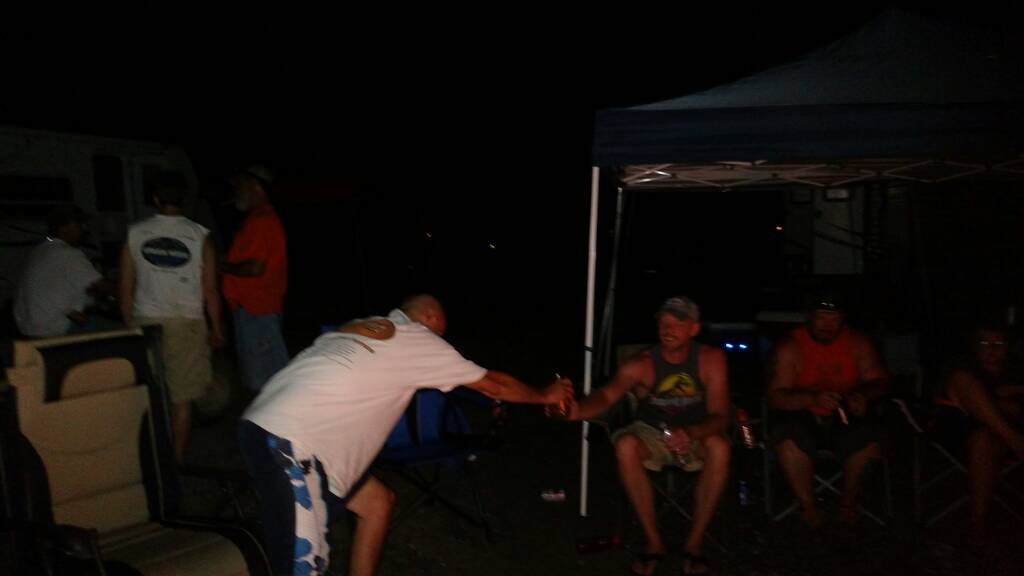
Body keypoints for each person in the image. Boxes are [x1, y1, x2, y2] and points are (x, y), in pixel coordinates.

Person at [239, 294, 572, 576]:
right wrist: (545, 395)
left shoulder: (362, 327)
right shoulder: (417, 338)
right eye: (442, 333)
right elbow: (494, 385)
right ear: (431, 318)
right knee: (302, 566)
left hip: (267, 422)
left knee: (377, 503)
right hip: (292, 444)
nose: (443, 341)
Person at [556, 296, 730, 576]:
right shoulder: (642, 363)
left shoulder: (711, 359)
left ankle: (694, 544)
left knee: (720, 447)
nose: (668, 329)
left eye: (677, 322)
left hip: (697, 430)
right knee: (625, 445)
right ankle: (653, 543)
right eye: (663, 322)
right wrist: (577, 411)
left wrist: (692, 432)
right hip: (652, 431)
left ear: (694, 329)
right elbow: (606, 396)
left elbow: (720, 415)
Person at [120, 172, 226, 463]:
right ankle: (173, 462)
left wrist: (128, 324)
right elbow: (211, 289)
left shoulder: (135, 233)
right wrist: (217, 328)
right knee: (182, 398)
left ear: (156, 199)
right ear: (184, 199)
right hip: (186, 322)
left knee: (151, 390)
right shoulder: (200, 235)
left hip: (146, 321)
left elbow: (126, 286)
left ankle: (147, 455)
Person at [767, 292, 889, 527]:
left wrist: (862, 395)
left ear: (843, 319)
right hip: (803, 414)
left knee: (871, 437)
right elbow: (775, 397)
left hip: (845, 415)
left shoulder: (858, 343)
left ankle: (849, 503)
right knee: (786, 435)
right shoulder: (790, 347)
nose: (827, 325)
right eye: (821, 317)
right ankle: (808, 507)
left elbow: (881, 381)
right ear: (810, 317)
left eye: (834, 318)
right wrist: (812, 398)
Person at [932, 322, 1024, 548]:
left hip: (997, 443)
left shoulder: (1017, 370)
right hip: (957, 435)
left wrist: (993, 400)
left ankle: (977, 521)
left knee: (983, 439)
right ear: (974, 346)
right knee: (963, 381)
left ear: (1008, 347)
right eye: (984, 343)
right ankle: (1016, 441)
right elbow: (948, 398)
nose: (991, 349)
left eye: (998, 343)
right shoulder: (962, 366)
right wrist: (996, 400)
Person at [222, 164, 289, 392]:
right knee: (265, 383)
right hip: (254, 311)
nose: (237, 191)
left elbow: (254, 268)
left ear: (255, 186)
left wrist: (222, 265)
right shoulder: (259, 219)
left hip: (257, 312)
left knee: (266, 385)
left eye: (240, 185)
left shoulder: (262, 221)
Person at [14, 204, 114, 337]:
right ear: (63, 228)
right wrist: (127, 290)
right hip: (54, 327)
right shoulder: (68, 253)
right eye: (79, 224)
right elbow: (103, 286)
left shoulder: (39, 251)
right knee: (123, 331)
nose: (84, 228)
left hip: (28, 326)